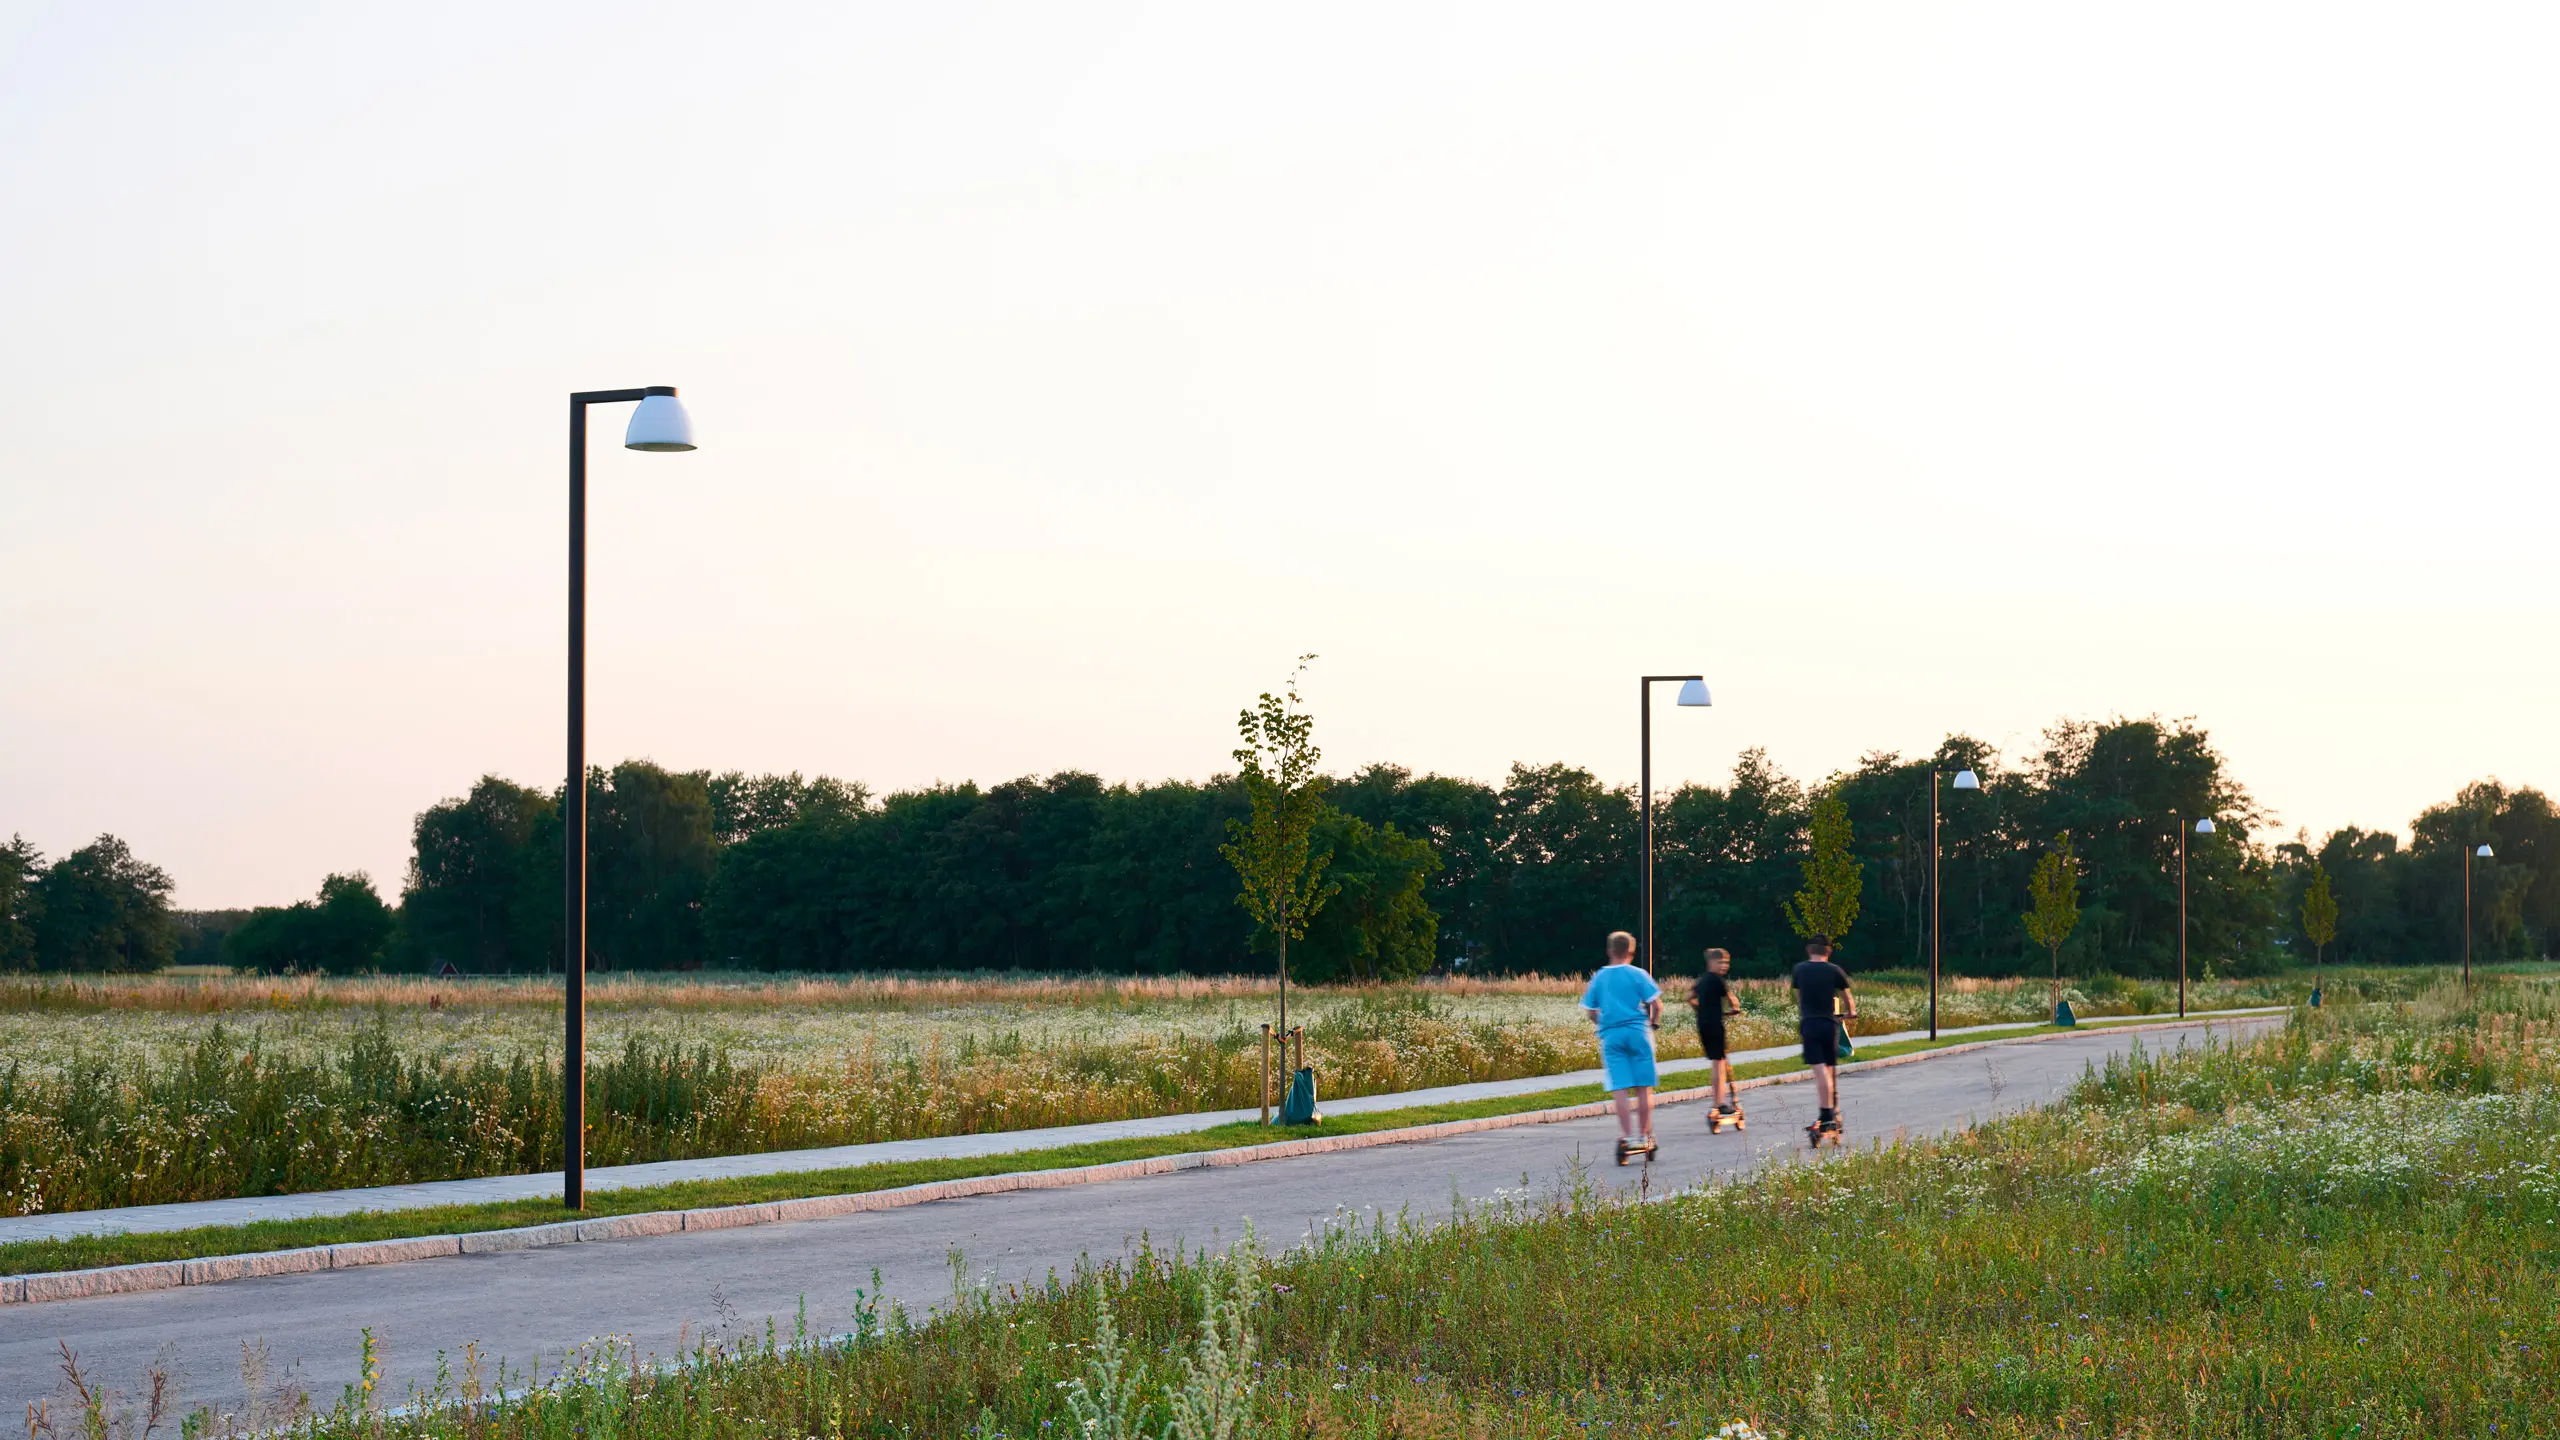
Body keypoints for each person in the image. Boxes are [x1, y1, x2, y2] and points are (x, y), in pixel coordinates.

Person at [1580, 930, 1663, 1160]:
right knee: (1643, 1087)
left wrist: (1603, 1024)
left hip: (1612, 1036)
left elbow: (1590, 1010)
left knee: (1620, 1088)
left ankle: (1626, 1137)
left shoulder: (1599, 977)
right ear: (1631, 952)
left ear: (1609, 951)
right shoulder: (1638, 974)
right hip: (1638, 1033)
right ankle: (1645, 1136)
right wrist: (1652, 1024)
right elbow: (1656, 1005)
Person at [1790, 938, 1856, 1139]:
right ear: (1829, 951)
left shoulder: (1799, 970)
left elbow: (1799, 997)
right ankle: (1830, 1113)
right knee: (1828, 1070)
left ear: (1809, 949)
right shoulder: (1835, 970)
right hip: (1830, 1025)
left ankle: (1826, 1114)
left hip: (1810, 1024)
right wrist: (1849, 1013)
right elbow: (1848, 998)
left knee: (1820, 1072)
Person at [1688, 947, 1742, 1126]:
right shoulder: (1718, 981)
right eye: (1721, 962)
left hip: (1702, 1024)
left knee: (1716, 1062)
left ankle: (1717, 1101)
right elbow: (1733, 1001)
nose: (1724, 966)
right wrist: (1734, 1010)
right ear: (1711, 963)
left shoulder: (1701, 981)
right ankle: (1719, 1102)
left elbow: (1690, 997)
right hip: (1715, 1025)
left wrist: (1699, 1009)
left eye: (1726, 963)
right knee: (1720, 1064)